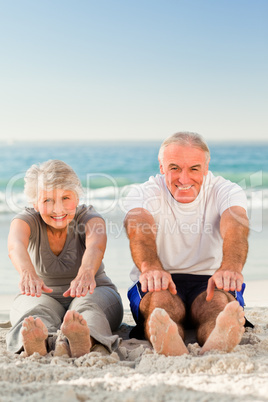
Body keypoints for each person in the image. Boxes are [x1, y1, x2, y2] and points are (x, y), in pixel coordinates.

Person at [123, 132, 250, 356]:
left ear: (206, 166)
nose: (184, 179)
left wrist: (231, 266)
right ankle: (169, 340)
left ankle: (217, 339)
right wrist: (150, 266)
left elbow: (235, 225)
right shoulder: (144, 192)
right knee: (161, 303)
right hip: (160, 279)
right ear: (161, 167)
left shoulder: (225, 190)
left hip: (210, 280)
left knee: (217, 304)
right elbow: (138, 226)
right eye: (174, 168)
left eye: (194, 168)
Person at [7, 160, 123, 357]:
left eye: (66, 198)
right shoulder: (27, 220)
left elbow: (97, 243)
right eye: (47, 200)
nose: (58, 209)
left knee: (87, 309)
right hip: (41, 295)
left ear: (77, 197)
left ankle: (84, 339)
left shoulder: (89, 216)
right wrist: (27, 273)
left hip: (94, 291)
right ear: (34, 203)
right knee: (36, 312)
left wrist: (86, 272)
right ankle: (41, 341)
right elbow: (15, 244)